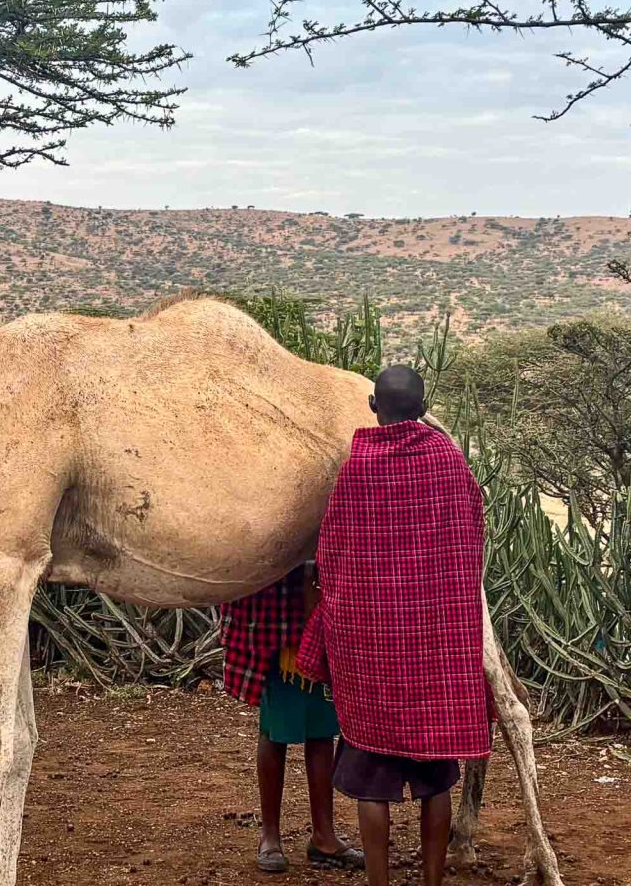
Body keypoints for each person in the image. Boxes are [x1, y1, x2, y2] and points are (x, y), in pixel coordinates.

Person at [297, 365, 490, 886]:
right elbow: (472, 531)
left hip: (371, 652)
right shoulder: (448, 460)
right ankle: (431, 882)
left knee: (372, 787)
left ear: (373, 406)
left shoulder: (357, 468)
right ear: (424, 408)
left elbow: (332, 553)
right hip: (434, 647)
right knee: (436, 784)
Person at [219, 565, 366, 873]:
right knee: (275, 729)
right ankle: (270, 836)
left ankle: (324, 835)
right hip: (272, 611)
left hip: (322, 603)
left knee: (322, 730)